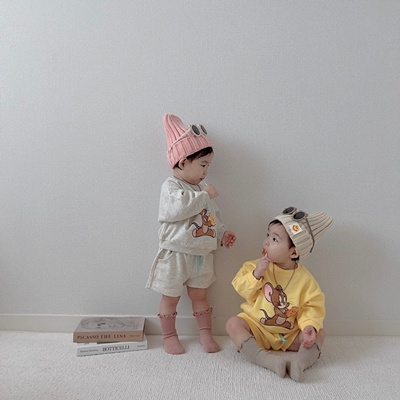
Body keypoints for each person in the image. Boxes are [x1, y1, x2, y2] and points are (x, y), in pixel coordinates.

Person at [146, 114, 237, 355]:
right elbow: (177, 209)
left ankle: (205, 334)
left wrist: (222, 233)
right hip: (175, 252)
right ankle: (169, 336)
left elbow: (212, 217)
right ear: (184, 161)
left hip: (201, 254)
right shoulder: (171, 186)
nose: (206, 171)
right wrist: (204, 195)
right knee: (170, 296)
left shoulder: (201, 189)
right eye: (203, 165)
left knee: (200, 295)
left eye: (208, 166)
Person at [226, 207, 332, 382]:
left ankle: (300, 362)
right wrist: (256, 274)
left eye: (274, 239)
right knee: (233, 324)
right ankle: (266, 360)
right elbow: (240, 288)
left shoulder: (305, 279)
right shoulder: (254, 266)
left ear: (294, 252)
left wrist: (309, 326)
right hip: (258, 329)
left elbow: (312, 306)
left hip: (289, 335)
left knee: (320, 333)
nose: (266, 242)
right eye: (267, 235)